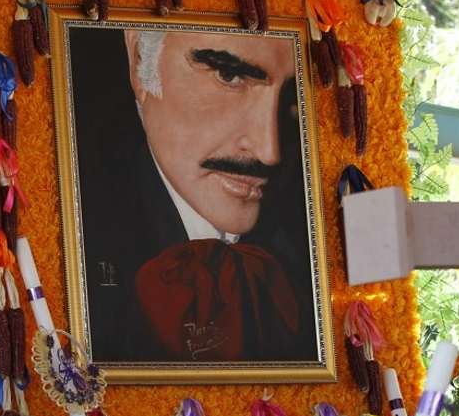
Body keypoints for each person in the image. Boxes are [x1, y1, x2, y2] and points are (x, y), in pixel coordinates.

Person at [71, 26, 317, 364]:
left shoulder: (312, 244)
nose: (268, 150)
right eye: (229, 75)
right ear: (141, 61)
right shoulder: (75, 232)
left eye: (292, 98)